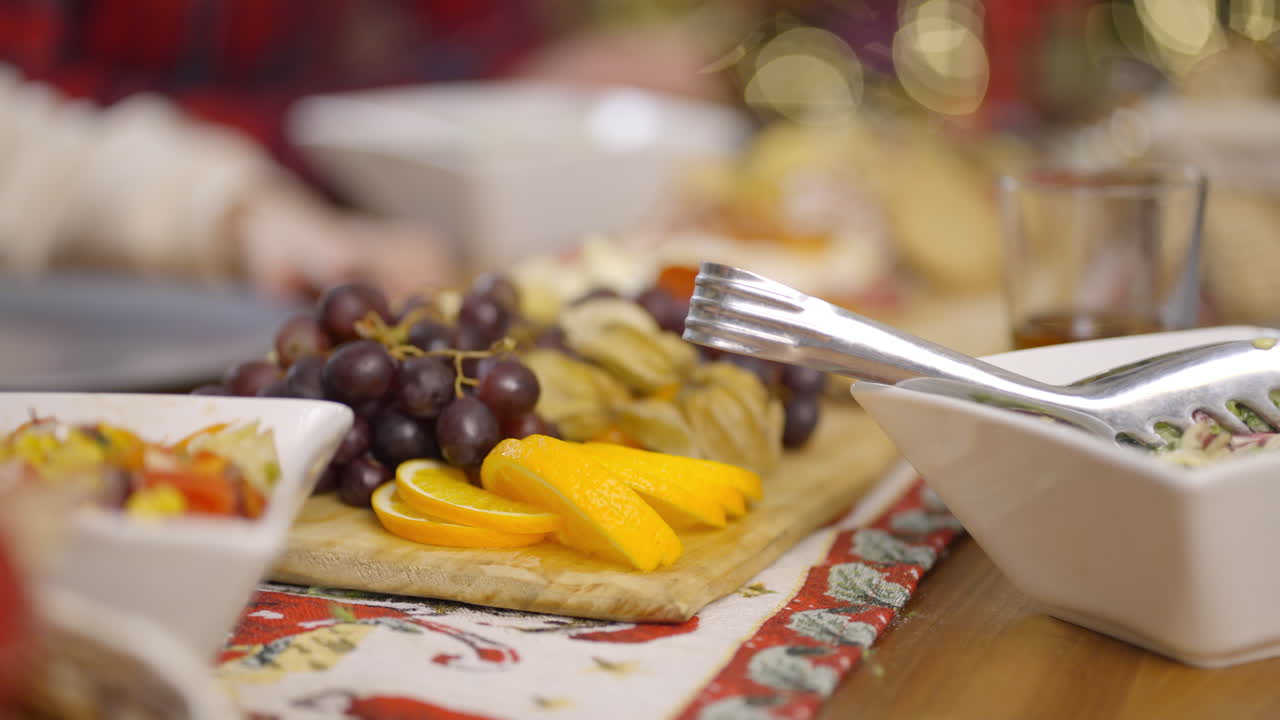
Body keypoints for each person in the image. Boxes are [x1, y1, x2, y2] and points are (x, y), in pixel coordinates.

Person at [0, 0, 735, 300]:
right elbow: (37, 108)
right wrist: (233, 200)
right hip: (106, 311)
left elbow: (479, 29)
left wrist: (540, 72)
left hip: (311, 232)